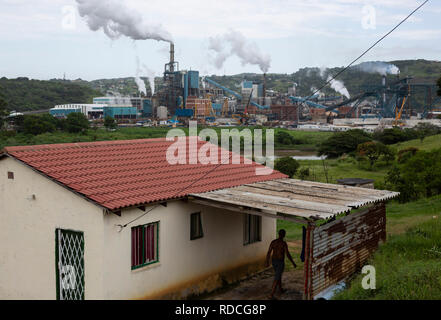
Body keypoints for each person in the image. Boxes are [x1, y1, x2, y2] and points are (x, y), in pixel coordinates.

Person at [265, 229, 296, 299]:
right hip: (280, 262)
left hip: (274, 261)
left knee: (278, 275)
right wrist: (293, 263)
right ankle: (271, 294)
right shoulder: (283, 244)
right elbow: (287, 254)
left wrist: (267, 261)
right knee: (277, 277)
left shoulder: (273, 242)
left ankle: (280, 289)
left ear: (278, 234)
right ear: (284, 235)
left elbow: (269, 252)